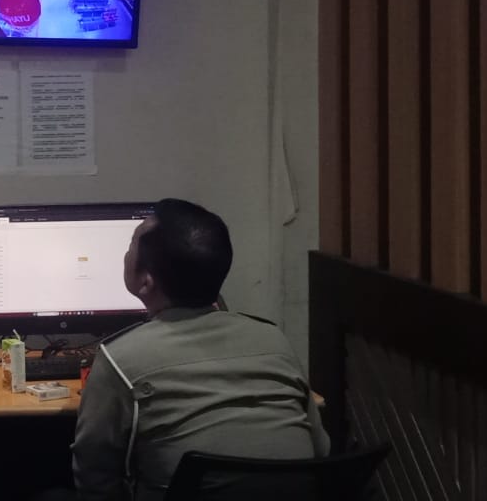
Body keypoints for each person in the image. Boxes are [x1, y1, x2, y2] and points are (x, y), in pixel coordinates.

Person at [70, 198, 328, 500]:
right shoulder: (274, 341)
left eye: (130, 246)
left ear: (146, 282)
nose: (126, 254)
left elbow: (94, 476)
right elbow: (321, 449)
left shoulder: (119, 359)